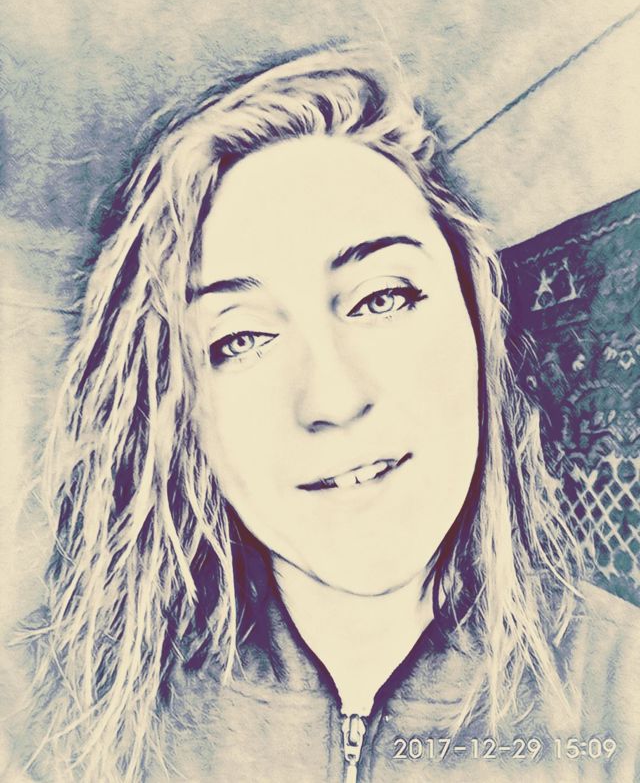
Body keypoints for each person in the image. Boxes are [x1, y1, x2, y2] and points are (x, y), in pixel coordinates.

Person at [17, 44, 640, 782]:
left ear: (477, 324)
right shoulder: (33, 715)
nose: (333, 399)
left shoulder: (622, 691)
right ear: (176, 410)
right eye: (238, 340)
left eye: (383, 298)